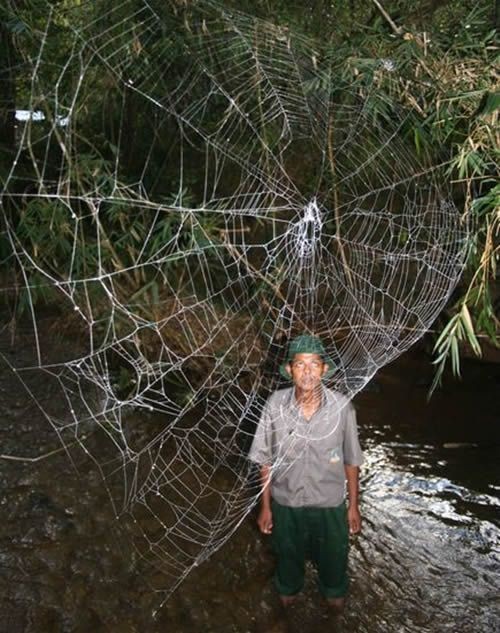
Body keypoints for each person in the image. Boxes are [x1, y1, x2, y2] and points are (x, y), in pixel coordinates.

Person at [249, 334, 364, 613]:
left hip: (330, 506)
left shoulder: (342, 407)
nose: (308, 371)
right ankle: (285, 617)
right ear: (290, 370)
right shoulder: (274, 405)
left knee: (335, 577)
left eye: (314, 364)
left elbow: (352, 459)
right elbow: (264, 460)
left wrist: (354, 506)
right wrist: (265, 507)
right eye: (300, 364)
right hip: (287, 505)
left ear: (324, 369)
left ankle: (332, 619)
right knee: (287, 577)